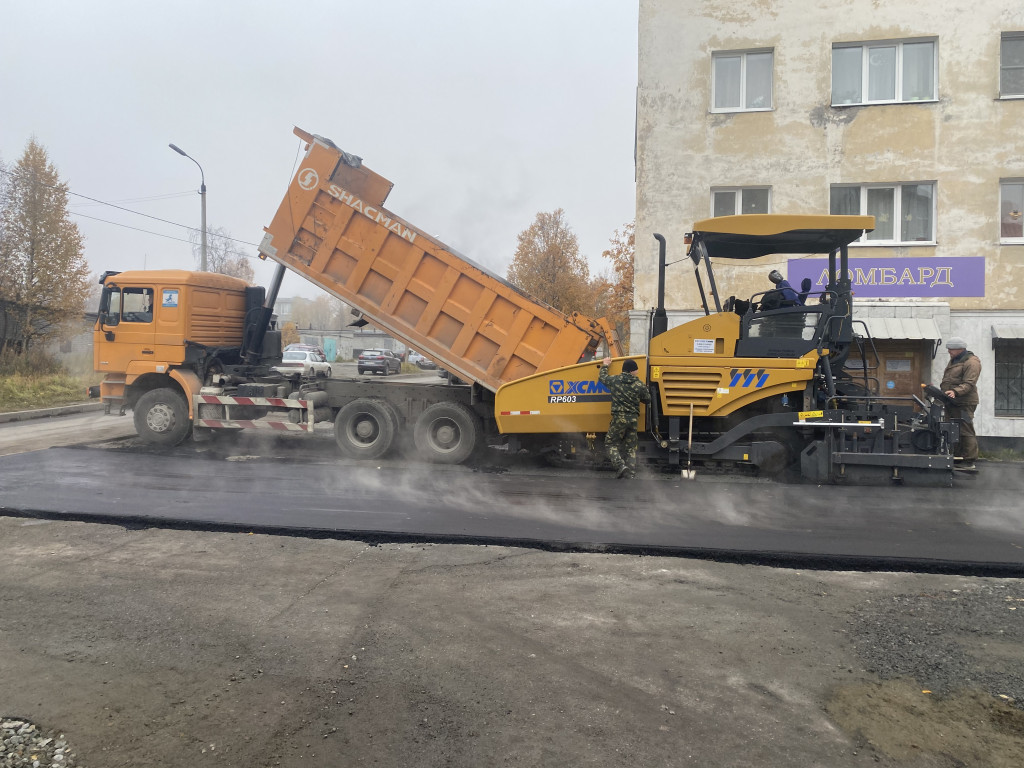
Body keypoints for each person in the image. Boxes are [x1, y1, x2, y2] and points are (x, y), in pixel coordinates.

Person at [599, 357, 652, 479]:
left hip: (619, 418)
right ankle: (631, 474)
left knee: (610, 443)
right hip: (633, 419)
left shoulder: (615, 380)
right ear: (631, 371)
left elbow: (602, 378)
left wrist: (605, 365)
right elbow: (648, 400)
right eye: (636, 370)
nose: (637, 372)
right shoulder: (639, 384)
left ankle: (620, 465)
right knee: (631, 447)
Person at [940, 337, 982, 469]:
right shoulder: (955, 360)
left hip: (964, 402)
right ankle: (957, 457)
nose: (948, 352)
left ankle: (969, 460)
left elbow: (969, 383)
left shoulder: (972, 362)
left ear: (960, 349)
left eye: (951, 349)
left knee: (965, 430)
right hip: (952, 401)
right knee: (954, 430)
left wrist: (955, 392)